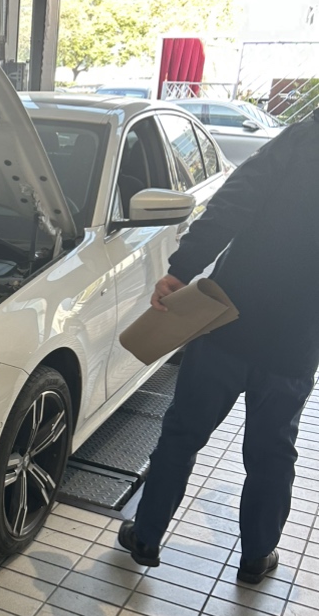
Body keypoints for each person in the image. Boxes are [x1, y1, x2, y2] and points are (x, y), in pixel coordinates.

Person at [117, 110, 319, 585]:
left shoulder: (299, 141)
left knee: (182, 434)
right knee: (273, 451)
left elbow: (232, 204)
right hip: (296, 343)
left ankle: (145, 536)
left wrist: (180, 271)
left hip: (227, 321)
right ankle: (257, 556)